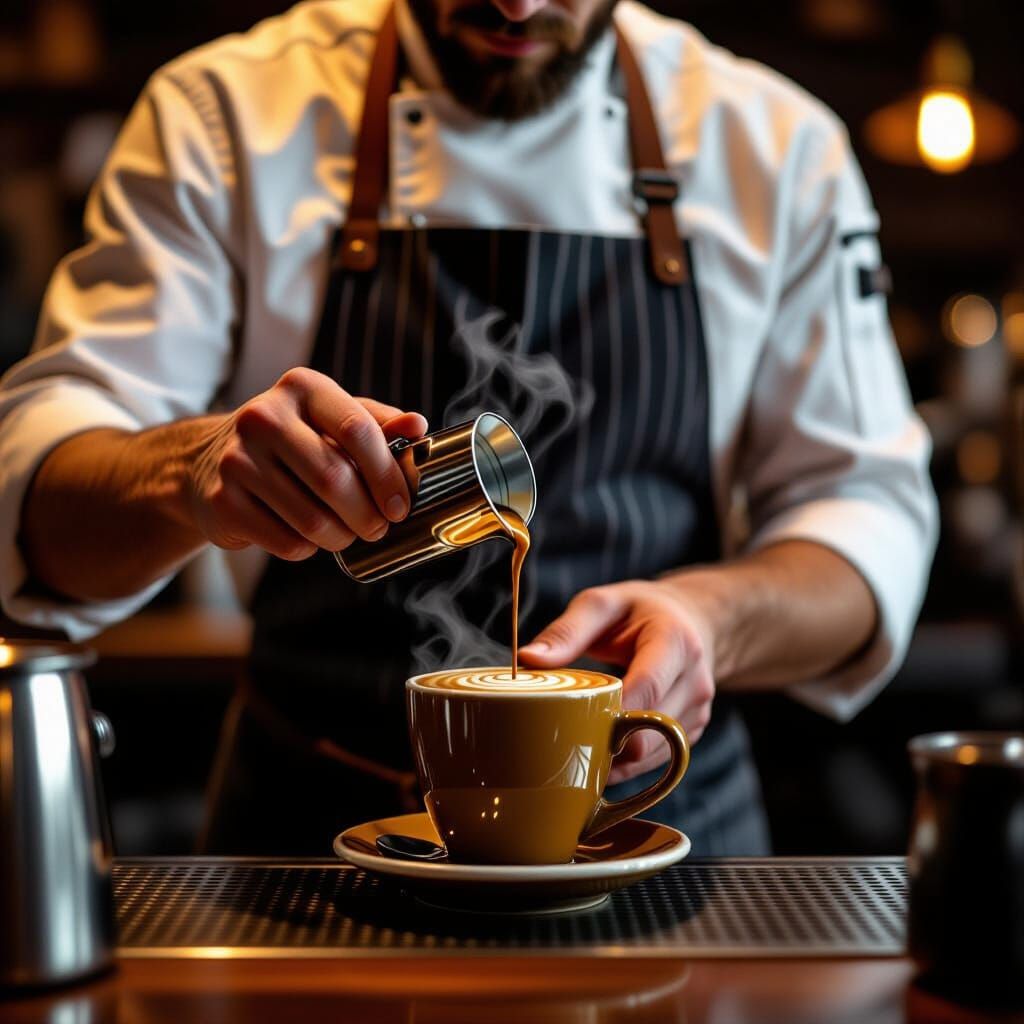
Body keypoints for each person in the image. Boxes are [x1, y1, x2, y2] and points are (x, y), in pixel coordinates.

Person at [0, 0, 937, 856]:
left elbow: (867, 527)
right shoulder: (226, 114)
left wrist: (712, 621)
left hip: (652, 835)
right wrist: (188, 470)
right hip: (308, 840)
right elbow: (39, 502)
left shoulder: (773, 145)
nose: (518, 6)